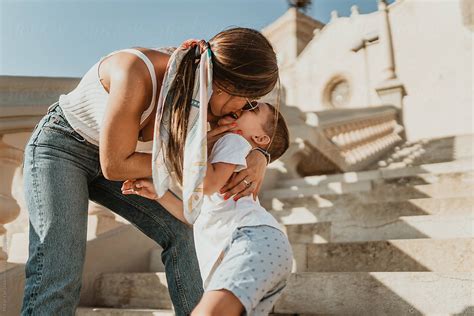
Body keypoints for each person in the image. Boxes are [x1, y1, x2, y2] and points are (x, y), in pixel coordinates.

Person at [21, 27, 279, 316]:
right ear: (222, 83)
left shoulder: (201, 98)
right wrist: (194, 155)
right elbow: (116, 164)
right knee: (59, 267)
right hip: (63, 147)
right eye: (246, 99)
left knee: (182, 231)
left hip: (125, 162)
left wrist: (259, 155)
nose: (243, 108)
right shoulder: (137, 71)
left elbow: (255, 137)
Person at [122, 102, 293, 315]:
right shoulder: (226, 153)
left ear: (259, 138)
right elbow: (196, 217)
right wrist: (161, 194)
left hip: (252, 239)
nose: (245, 107)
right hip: (255, 244)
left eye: (254, 109)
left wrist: (188, 145)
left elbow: (209, 186)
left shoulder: (234, 140)